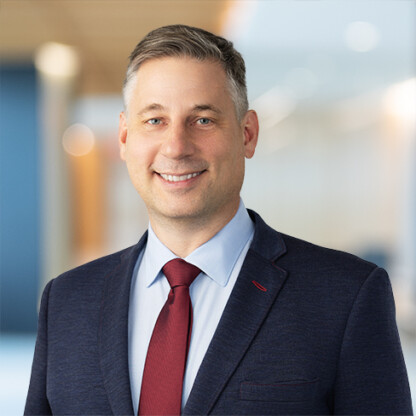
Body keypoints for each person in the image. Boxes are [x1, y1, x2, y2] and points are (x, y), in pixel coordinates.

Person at [25, 24, 413, 416]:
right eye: (155, 120)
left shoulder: (346, 297)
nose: (176, 146)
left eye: (203, 120)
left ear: (247, 134)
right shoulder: (67, 302)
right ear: (125, 137)